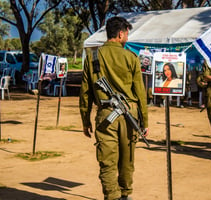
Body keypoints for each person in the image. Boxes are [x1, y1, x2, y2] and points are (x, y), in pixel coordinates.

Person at [79, 16, 148, 200]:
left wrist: (85, 120)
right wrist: (144, 121)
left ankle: (112, 196)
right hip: (129, 115)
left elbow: (85, 92)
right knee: (127, 158)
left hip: (105, 115)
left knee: (107, 161)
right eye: (127, 33)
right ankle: (125, 194)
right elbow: (140, 92)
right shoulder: (131, 57)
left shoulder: (93, 56)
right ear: (120, 34)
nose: (127, 37)